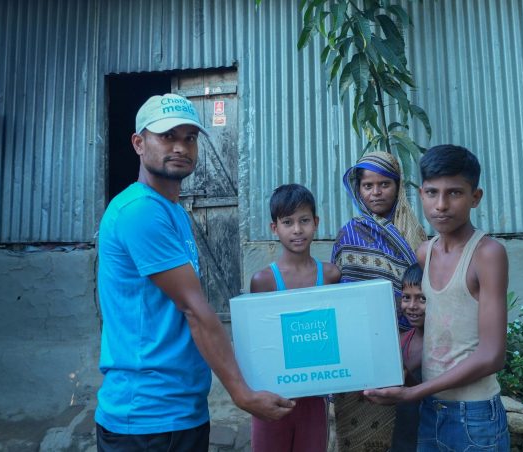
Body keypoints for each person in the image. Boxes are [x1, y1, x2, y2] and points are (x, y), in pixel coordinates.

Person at [94, 93, 294, 452]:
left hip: (178, 408)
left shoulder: (172, 211)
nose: (181, 147)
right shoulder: (140, 210)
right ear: (139, 143)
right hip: (148, 418)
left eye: (189, 138)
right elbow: (195, 311)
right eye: (167, 136)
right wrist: (242, 393)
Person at [365, 144, 510, 451]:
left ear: (475, 197)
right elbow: (434, 328)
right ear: (421, 195)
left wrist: (413, 393)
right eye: (432, 193)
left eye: (454, 193)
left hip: (475, 415)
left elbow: (492, 354)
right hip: (431, 411)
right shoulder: (425, 253)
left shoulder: (487, 255)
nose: (441, 205)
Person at [331, 151, 426, 452]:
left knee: (407, 430)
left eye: (384, 184)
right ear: (357, 189)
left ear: (398, 186)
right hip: (358, 349)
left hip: (408, 349)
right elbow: (340, 292)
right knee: (357, 432)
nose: (375, 192)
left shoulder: (416, 235)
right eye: (367, 185)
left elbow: (424, 289)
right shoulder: (349, 234)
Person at [249, 183, 341, 452]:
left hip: (315, 397)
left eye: (304, 221)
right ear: (274, 228)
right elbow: (260, 343)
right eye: (288, 222)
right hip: (272, 397)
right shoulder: (264, 280)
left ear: (316, 223)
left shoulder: (331, 276)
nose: (297, 230)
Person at [391, 263, 426, 452]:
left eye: (422, 298)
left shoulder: (444, 346)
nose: (412, 306)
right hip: (405, 439)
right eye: (406, 298)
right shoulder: (402, 341)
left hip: (435, 436)